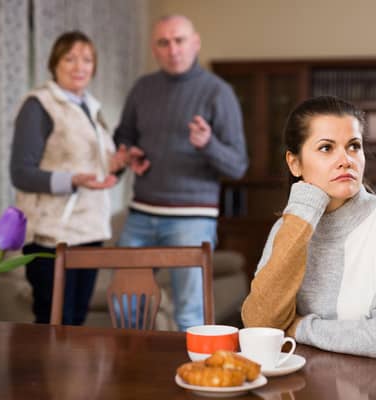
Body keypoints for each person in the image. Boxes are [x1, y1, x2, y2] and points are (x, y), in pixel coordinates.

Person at [241, 96, 376, 374]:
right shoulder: (288, 229)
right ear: (294, 164)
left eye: (354, 147)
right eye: (326, 148)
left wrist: (298, 327)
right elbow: (259, 324)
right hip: (302, 382)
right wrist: (302, 215)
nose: (345, 160)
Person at [114, 15, 248, 331]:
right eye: (164, 42)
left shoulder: (219, 92)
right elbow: (124, 135)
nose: (173, 49)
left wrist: (208, 144)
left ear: (195, 43)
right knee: (126, 311)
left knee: (190, 314)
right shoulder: (142, 88)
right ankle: (131, 378)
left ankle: (193, 378)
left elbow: (238, 165)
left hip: (192, 219)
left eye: (179, 40)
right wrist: (128, 151)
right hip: (140, 215)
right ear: (155, 49)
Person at [10, 31, 128, 325]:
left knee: (76, 325)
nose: (79, 66)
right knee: (53, 323)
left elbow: (99, 168)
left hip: (88, 231)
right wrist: (72, 180)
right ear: (55, 64)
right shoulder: (38, 106)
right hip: (51, 235)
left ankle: (73, 375)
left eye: (87, 60)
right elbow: (21, 173)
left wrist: (119, 164)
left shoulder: (91, 108)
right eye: (70, 58)